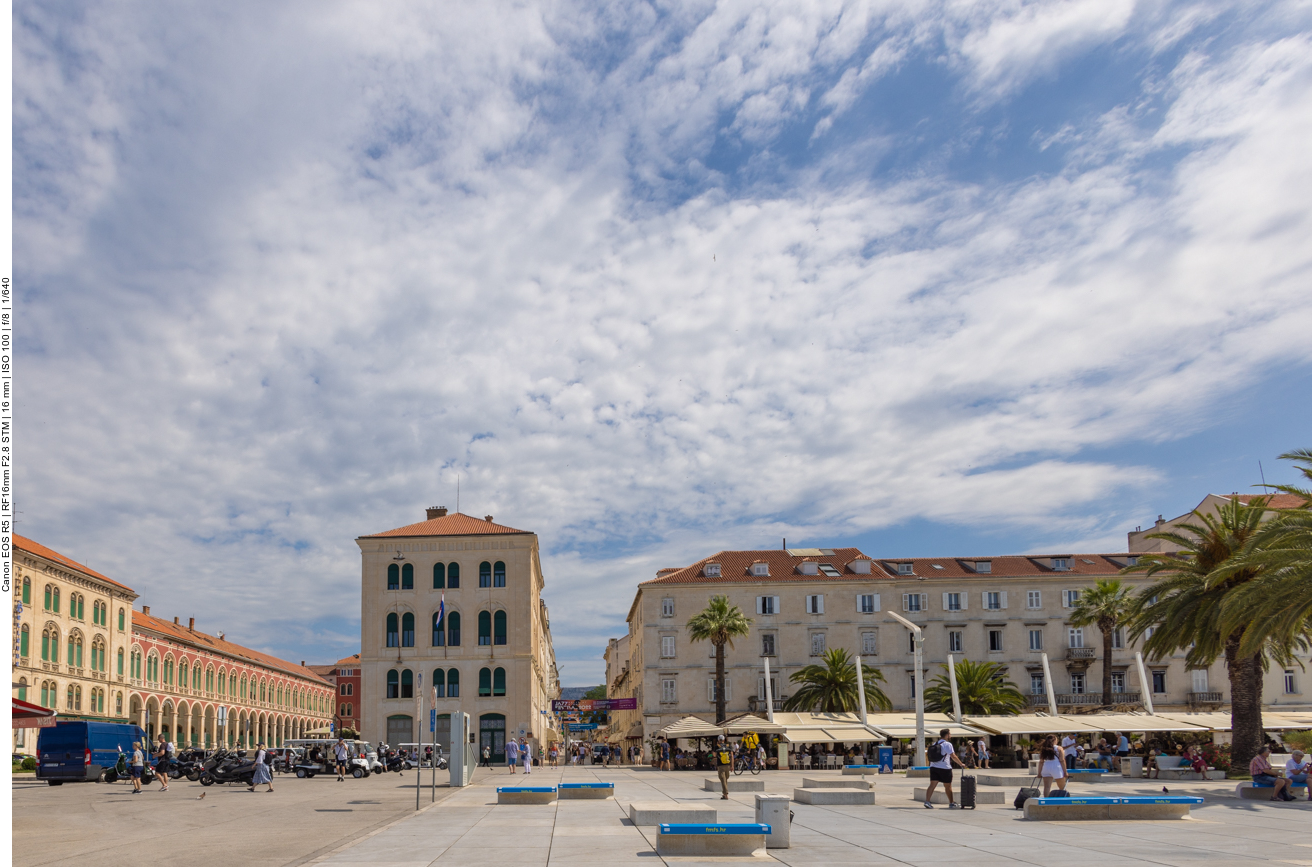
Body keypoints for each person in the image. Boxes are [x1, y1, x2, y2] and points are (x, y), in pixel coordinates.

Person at [923, 730, 965, 808]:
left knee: (932, 785)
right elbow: (953, 756)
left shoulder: (935, 743)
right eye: (950, 734)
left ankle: (927, 801)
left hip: (933, 767)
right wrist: (961, 764)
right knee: (948, 786)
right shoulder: (947, 744)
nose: (950, 735)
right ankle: (951, 803)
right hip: (945, 768)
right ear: (946, 735)